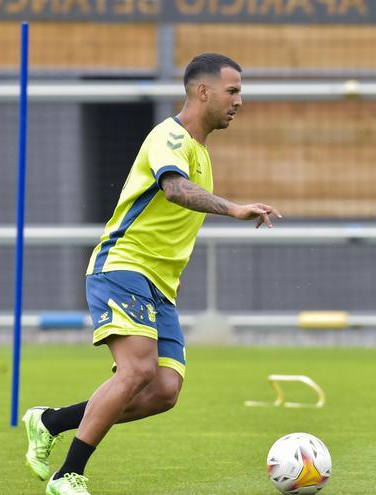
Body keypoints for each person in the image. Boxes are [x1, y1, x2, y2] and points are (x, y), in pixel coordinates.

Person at [21, 53, 281, 495]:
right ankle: (68, 476)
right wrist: (234, 208)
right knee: (136, 371)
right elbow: (175, 188)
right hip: (124, 264)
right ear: (203, 92)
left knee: (163, 391)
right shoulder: (170, 136)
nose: (240, 100)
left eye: (240, 92)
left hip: (159, 286)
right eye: (232, 91)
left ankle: (50, 421)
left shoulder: (200, 151)